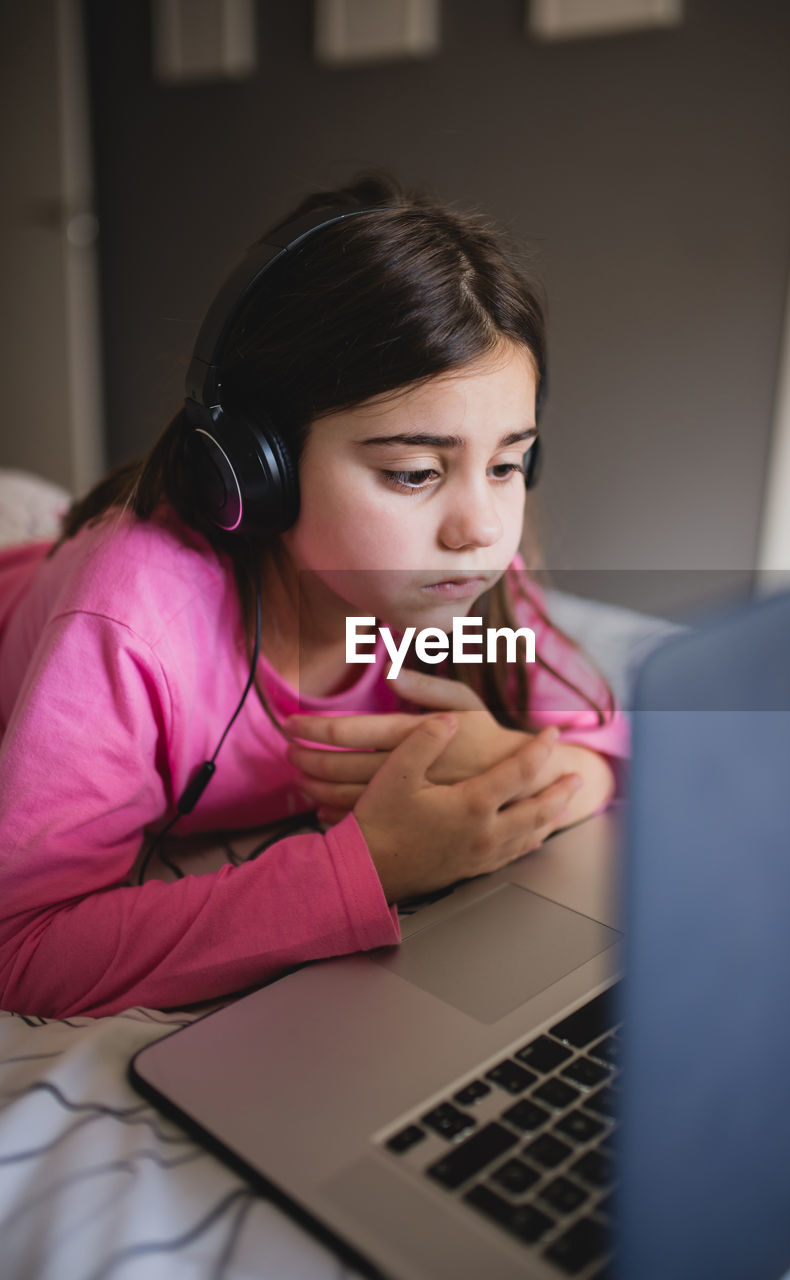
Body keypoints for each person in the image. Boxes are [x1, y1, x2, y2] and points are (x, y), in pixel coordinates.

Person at [0, 173, 628, 1019]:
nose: (481, 527)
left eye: (509, 463)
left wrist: (545, 774)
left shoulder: (457, 581)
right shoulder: (128, 625)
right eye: (412, 473)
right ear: (258, 472)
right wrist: (370, 866)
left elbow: (607, 738)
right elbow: (22, 944)